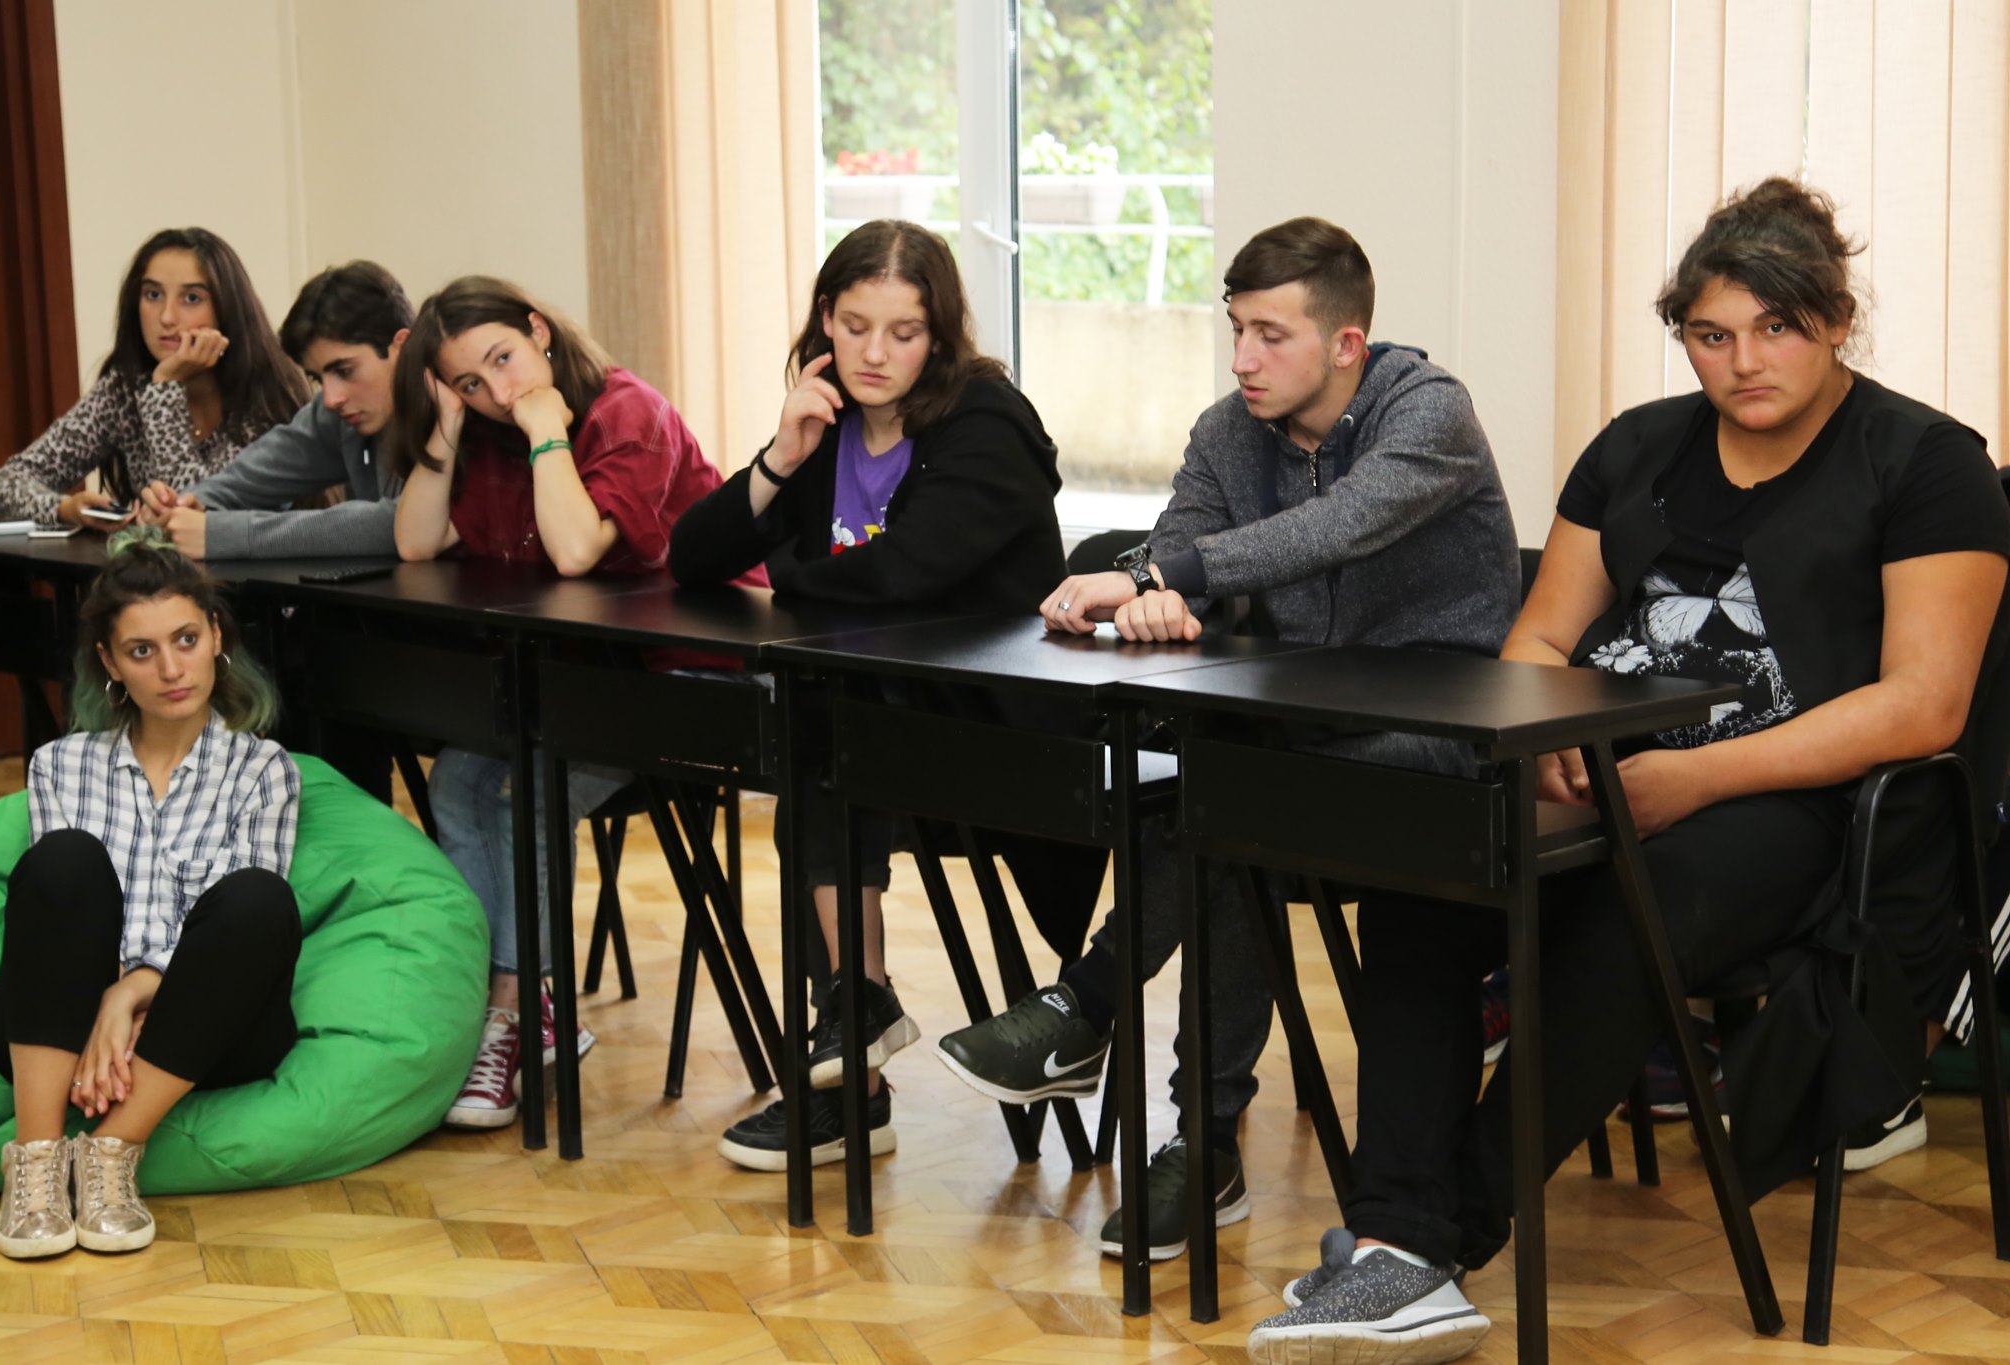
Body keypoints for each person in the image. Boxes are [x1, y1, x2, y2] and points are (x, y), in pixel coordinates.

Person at [1244, 180, 2010, 1365]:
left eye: (1774, 329)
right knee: (1421, 876)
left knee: (1622, 908)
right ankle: (1400, 1242)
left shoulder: (1923, 464)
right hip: (1595, 774)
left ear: (1834, 321)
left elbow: (1924, 703)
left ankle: (1431, 1241)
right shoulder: (1637, 446)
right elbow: (1539, 642)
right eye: (1709, 334)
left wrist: (1695, 781)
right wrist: (1549, 737)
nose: (1741, 362)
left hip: (1796, 807)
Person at [933, 216, 1519, 1263]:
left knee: (1236, 796)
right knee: (1226, 802)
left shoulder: (1427, 411)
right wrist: (1159, 595)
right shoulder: (1227, 431)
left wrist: (1166, 576)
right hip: (1300, 737)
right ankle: (1194, 1138)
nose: (1243, 358)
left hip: (1444, 746)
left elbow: (1333, 526)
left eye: (1270, 336)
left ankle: (1098, 1014)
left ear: (1345, 343)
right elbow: (1178, 548)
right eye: (1236, 330)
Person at [669, 219, 1070, 1172]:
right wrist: (780, 457)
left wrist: (790, 574)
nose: (875, 353)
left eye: (904, 332)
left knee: (822, 727)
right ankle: (855, 1035)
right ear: (825, 320)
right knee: (818, 727)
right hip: (870, 734)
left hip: (1002, 739)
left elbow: (907, 574)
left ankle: (851, 1053)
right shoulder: (828, 422)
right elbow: (692, 557)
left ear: (941, 334)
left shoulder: (987, 421)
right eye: (855, 327)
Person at [389, 275, 733, 1130]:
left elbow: (577, 551)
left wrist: (547, 432)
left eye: (503, 358)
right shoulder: (486, 434)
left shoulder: (626, 413)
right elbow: (416, 541)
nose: (498, 392)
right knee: (455, 780)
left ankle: (517, 1005)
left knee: (526, 788)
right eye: (470, 382)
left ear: (539, 329)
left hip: (694, 679)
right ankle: (500, 1004)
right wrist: (446, 426)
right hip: (586, 680)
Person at [0, 527, 300, 1261]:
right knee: (65, 860)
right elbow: (61, 920)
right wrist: (101, 999)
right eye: (140, 650)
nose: (170, 668)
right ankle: (36, 1163)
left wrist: (126, 995)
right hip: (64, 1034)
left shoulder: (263, 770)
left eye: (186, 639)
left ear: (216, 635)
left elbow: (232, 935)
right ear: (109, 664)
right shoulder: (59, 765)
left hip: (205, 1031)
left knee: (258, 899)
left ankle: (110, 1153)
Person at [0, 228, 306, 529]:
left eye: (191, 298)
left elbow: (195, 515)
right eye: (153, 295)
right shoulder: (125, 389)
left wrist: (165, 387)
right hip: (156, 570)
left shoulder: (266, 396)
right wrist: (66, 509)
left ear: (227, 309)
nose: (166, 317)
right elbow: (4, 486)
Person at [134, 260, 414, 560]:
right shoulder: (336, 416)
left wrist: (223, 535)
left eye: (345, 371)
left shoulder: (445, 410)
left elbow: (404, 522)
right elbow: (248, 480)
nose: (331, 398)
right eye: (318, 378)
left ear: (401, 347)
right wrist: (183, 509)